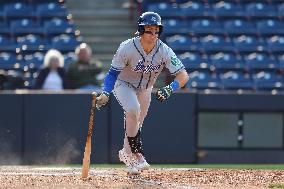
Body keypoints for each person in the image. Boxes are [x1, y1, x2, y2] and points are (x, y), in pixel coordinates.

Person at [94, 12, 189, 174]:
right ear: (140, 30)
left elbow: (183, 75)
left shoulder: (164, 50)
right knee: (133, 110)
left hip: (146, 88)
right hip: (123, 84)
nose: (153, 34)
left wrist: (170, 88)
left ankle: (126, 154)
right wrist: (106, 92)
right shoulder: (127, 47)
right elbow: (112, 73)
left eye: (156, 30)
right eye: (149, 30)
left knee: (136, 123)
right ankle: (137, 153)